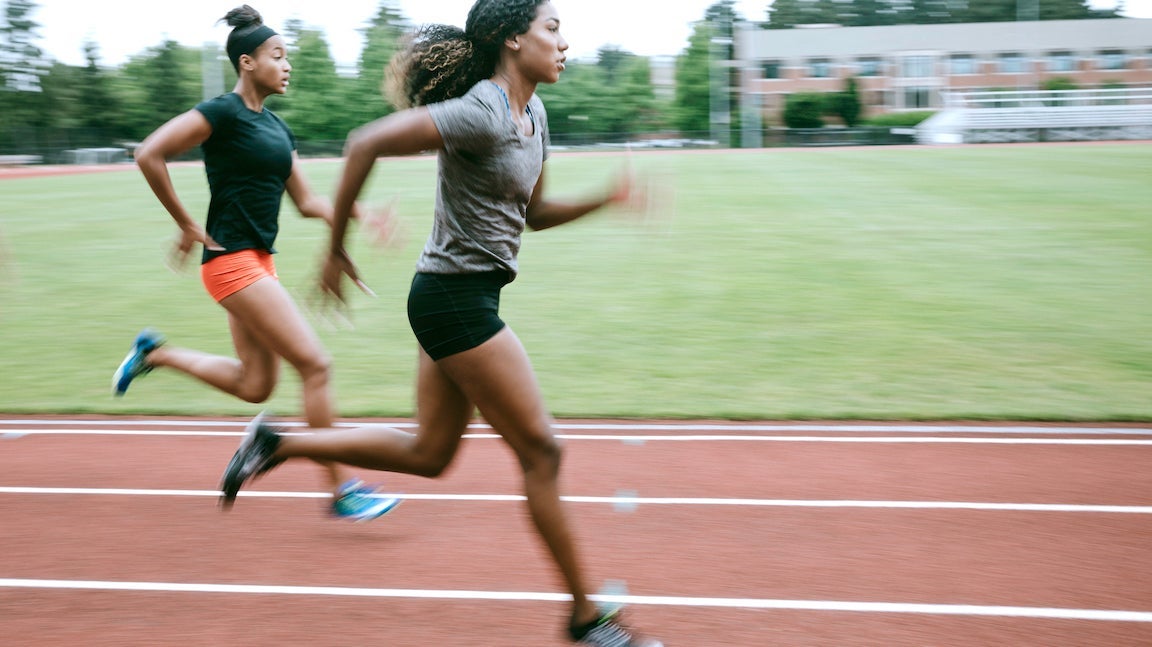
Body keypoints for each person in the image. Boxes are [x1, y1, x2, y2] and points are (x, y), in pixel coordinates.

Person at [218, 1, 662, 644]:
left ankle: (277, 445)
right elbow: (365, 141)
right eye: (552, 30)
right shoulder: (480, 109)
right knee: (542, 450)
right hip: (455, 301)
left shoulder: (533, 113)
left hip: (462, 296)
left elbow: (533, 214)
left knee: (430, 453)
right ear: (513, 40)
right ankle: (584, 617)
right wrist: (336, 246)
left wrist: (607, 198)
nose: (564, 44)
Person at [116, 4, 398, 522]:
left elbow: (310, 203)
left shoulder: (279, 131)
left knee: (254, 384)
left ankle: (154, 354)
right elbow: (148, 153)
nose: (287, 65)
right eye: (278, 55)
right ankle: (341, 490)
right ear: (247, 62)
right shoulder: (220, 114)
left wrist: (364, 213)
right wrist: (184, 223)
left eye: (287, 56)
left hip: (260, 264)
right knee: (316, 365)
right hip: (230, 263)